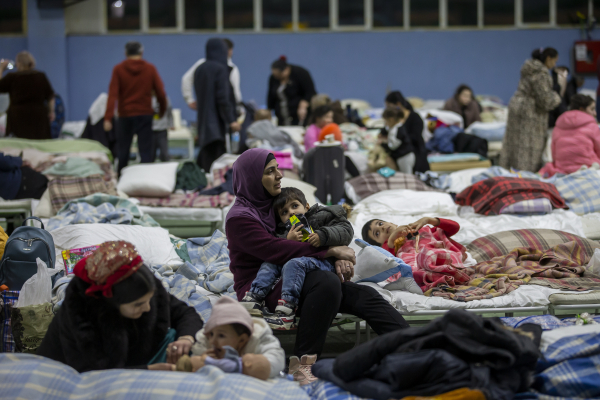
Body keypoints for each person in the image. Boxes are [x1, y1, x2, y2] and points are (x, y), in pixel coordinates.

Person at [225, 148, 409, 384]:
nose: (280, 175)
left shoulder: (272, 203)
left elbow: (311, 232)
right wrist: (331, 251)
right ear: (252, 178)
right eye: (271, 171)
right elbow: (275, 250)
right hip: (264, 287)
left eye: (277, 169)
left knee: (366, 295)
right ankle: (302, 364)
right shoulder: (240, 218)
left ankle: (415, 348)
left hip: (301, 272)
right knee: (327, 283)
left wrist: (336, 255)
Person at [37, 241, 203, 372]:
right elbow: (92, 373)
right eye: (138, 304)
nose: (147, 308)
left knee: (182, 339)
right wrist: (147, 370)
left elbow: (184, 313)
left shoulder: (143, 287)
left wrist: (186, 338)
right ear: (111, 303)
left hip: (136, 359)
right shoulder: (80, 317)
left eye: (149, 300)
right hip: (86, 372)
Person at [241, 187, 353, 328]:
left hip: (324, 263)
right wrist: (288, 242)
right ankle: (254, 296)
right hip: (301, 264)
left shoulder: (322, 215)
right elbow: (277, 250)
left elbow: (346, 230)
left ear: (306, 206)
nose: (291, 212)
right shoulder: (284, 230)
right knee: (271, 261)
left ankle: (287, 311)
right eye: (284, 212)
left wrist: (323, 236)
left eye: (294, 206)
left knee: (293, 264)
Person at [181, 296, 285, 380]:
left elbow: (277, 358)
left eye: (221, 335)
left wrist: (251, 365)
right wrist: (203, 359)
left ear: (242, 340)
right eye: (211, 334)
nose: (213, 341)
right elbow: (195, 361)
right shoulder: (207, 342)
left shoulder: (257, 340)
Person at [104, 42, 167, 175]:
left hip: (125, 115)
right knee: (145, 152)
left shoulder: (118, 69)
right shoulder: (150, 69)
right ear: (141, 53)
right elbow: (161, 93)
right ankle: (146, 181)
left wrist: (108, 118)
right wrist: (162, 111)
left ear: (125, 53)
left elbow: (112, 94)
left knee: (123, 151)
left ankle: (121, 180)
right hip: (145, 115)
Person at [362, 217, 468, 292]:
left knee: (428, 252)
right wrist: (392, 239)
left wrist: (429, 220)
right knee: (407, 270)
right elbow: (387, 260)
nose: (382, 228)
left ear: (392, 223)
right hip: (417, 267)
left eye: (380, 223)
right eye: (377, 233)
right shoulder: (389, 248)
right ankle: (426, 275)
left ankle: (431, 268)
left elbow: (455, 227)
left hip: (437, 257)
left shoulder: (423, 230)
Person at [500, 48, 561, 172]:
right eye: (554, 61)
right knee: (527, 150)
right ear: (548, 58)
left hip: (517, 106)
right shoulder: (541, 74)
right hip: (530, 112)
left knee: (514, 145)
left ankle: (508, 173)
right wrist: (557, 95)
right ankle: (526, 178)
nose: (554, 65)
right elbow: (545, 101)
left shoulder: (528, 70)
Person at [194, 38, 240, 172]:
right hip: (216, 125)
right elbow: (223, 99)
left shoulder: (200, 69)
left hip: (203, 122)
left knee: (205, 159)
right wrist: (231, 120)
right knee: (216, 164)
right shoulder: (220, 69)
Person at [539, 94, 600, 177]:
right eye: (592, 109)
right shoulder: (592, 126)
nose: (595, 113)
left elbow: (554, 153)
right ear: (582, 109)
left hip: (562, 171)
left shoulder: (559, 124)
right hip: (589, 169)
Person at [0, 51, 55, 139]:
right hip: (39, 118)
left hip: (17, 117)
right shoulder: (41, 76)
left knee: (18, 145)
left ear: (18, 63)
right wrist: (51, 112)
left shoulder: (12, 77)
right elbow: (50, 97)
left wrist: (1, 68)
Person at [182, 38, 241, 112]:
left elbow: (186, 78)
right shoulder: (230, 68)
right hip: (222, 112)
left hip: (204, 110)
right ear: (228, 50)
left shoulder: (202, 64)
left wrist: (189, 99)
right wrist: (238, 109)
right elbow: (235, 92)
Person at [384, 91, 429, 173]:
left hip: (414, 155)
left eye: (389, 106)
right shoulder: (392, 121)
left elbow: (415, 137)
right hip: (399, 155)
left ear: (398, 104)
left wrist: (399, 137)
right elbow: (385, 132)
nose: (388, 109)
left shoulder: (415, 118)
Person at [267, 56, 316, 126]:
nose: (277, 78)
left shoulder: (301, 73)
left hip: (299, 115)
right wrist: (269, 111)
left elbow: (310, 92)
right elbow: (270, 97)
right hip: (281, 117)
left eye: (279, 75)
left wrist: (304, 104)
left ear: (286, 69)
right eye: (275, 75)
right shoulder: (273, 78)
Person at [380, 107, 416, 174]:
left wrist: (383, 144)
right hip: (403, 157)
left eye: (386, 121)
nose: (385, 124)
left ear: (391, 119)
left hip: (405, 157)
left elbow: (393, 146)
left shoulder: (398, 130)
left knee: (407, 175)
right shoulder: (395, 128)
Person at [151, 95, 172, 162]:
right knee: (150, 155)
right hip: (150, 131)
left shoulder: (165, 99)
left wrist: (171, 124)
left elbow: (169, 113)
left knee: (164, 154)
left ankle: (166, 169)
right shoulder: (147, 99)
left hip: (162, 130)